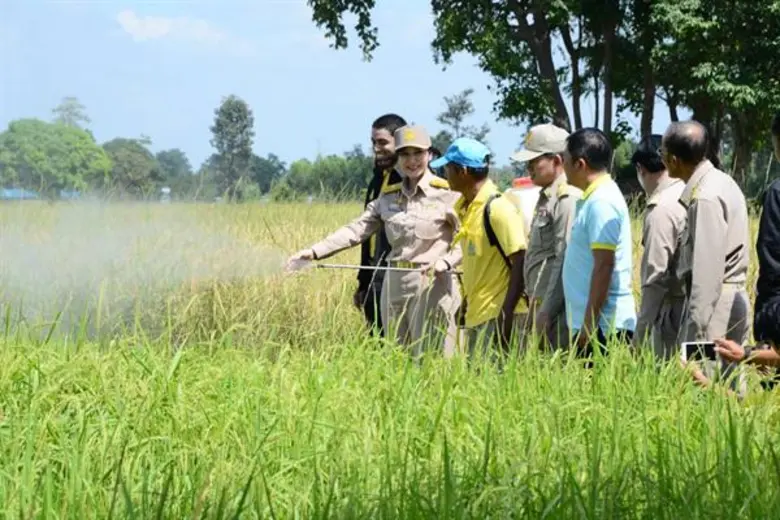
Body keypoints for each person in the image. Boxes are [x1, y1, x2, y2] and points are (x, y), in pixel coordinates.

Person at [286, 125, 463, 357]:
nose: (412, 161)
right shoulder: (388, 196)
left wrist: (447, 262)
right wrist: (314, 251)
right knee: (398, 360)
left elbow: (467, 240)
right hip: (394, 284)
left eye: (417, 153)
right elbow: (356, 229)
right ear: (397, 157)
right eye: (405, 154)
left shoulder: (448, 194)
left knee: (433, 360)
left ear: (429, 154)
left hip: (431, 283)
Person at [687, 111, 780, 386]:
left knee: (705, 388)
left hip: (715, 306)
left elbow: (773, 272)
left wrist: (766, 340)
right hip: (731, 302)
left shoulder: (704, 197)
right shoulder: (725, 186)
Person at [431, 137, 528, 360]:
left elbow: (520, 260)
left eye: (448, 168)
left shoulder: (497, 209)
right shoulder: (470, 209)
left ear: (462, 171)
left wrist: (505, 316)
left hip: (497, 318)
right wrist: (466, 303)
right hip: (478, 314)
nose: (445, 174)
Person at [662, 121, 751, 349]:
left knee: (707, 381)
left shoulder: (704, 198)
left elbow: (706, 276)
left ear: (673, 160)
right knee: (726, 382)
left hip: (714, 310)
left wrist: (694, 332)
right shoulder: (721, 182)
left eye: (662, 152)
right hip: (724, 302)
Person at [561, 128, 637, 358]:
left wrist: (588, 322)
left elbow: (604, 266)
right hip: (596, 323)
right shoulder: (595, 197)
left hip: (603, 326)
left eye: (564, 159)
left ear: (580, 164)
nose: (562, 165)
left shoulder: (601, 201)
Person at [510, 123, 581, 350]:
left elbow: (564, 259)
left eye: (534, 161)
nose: (529, 168)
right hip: (542, 305)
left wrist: (547, 310)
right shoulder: (546, 197)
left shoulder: (566, 198)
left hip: (557, 309)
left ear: (557, 161)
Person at [631, 135, 687, 360]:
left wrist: (640, 335)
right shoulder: (690, 192)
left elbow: (655, 280)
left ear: (641, 168)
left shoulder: (661, 209)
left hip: (674, 313)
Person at [355, 114, 406, 338]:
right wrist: (363, 281)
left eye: (383, 142)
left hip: (401, 279)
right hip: (375, 278)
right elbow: (367, 232)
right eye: (374, 142)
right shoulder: (378, 179)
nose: (377, 148)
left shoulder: (413, 180)